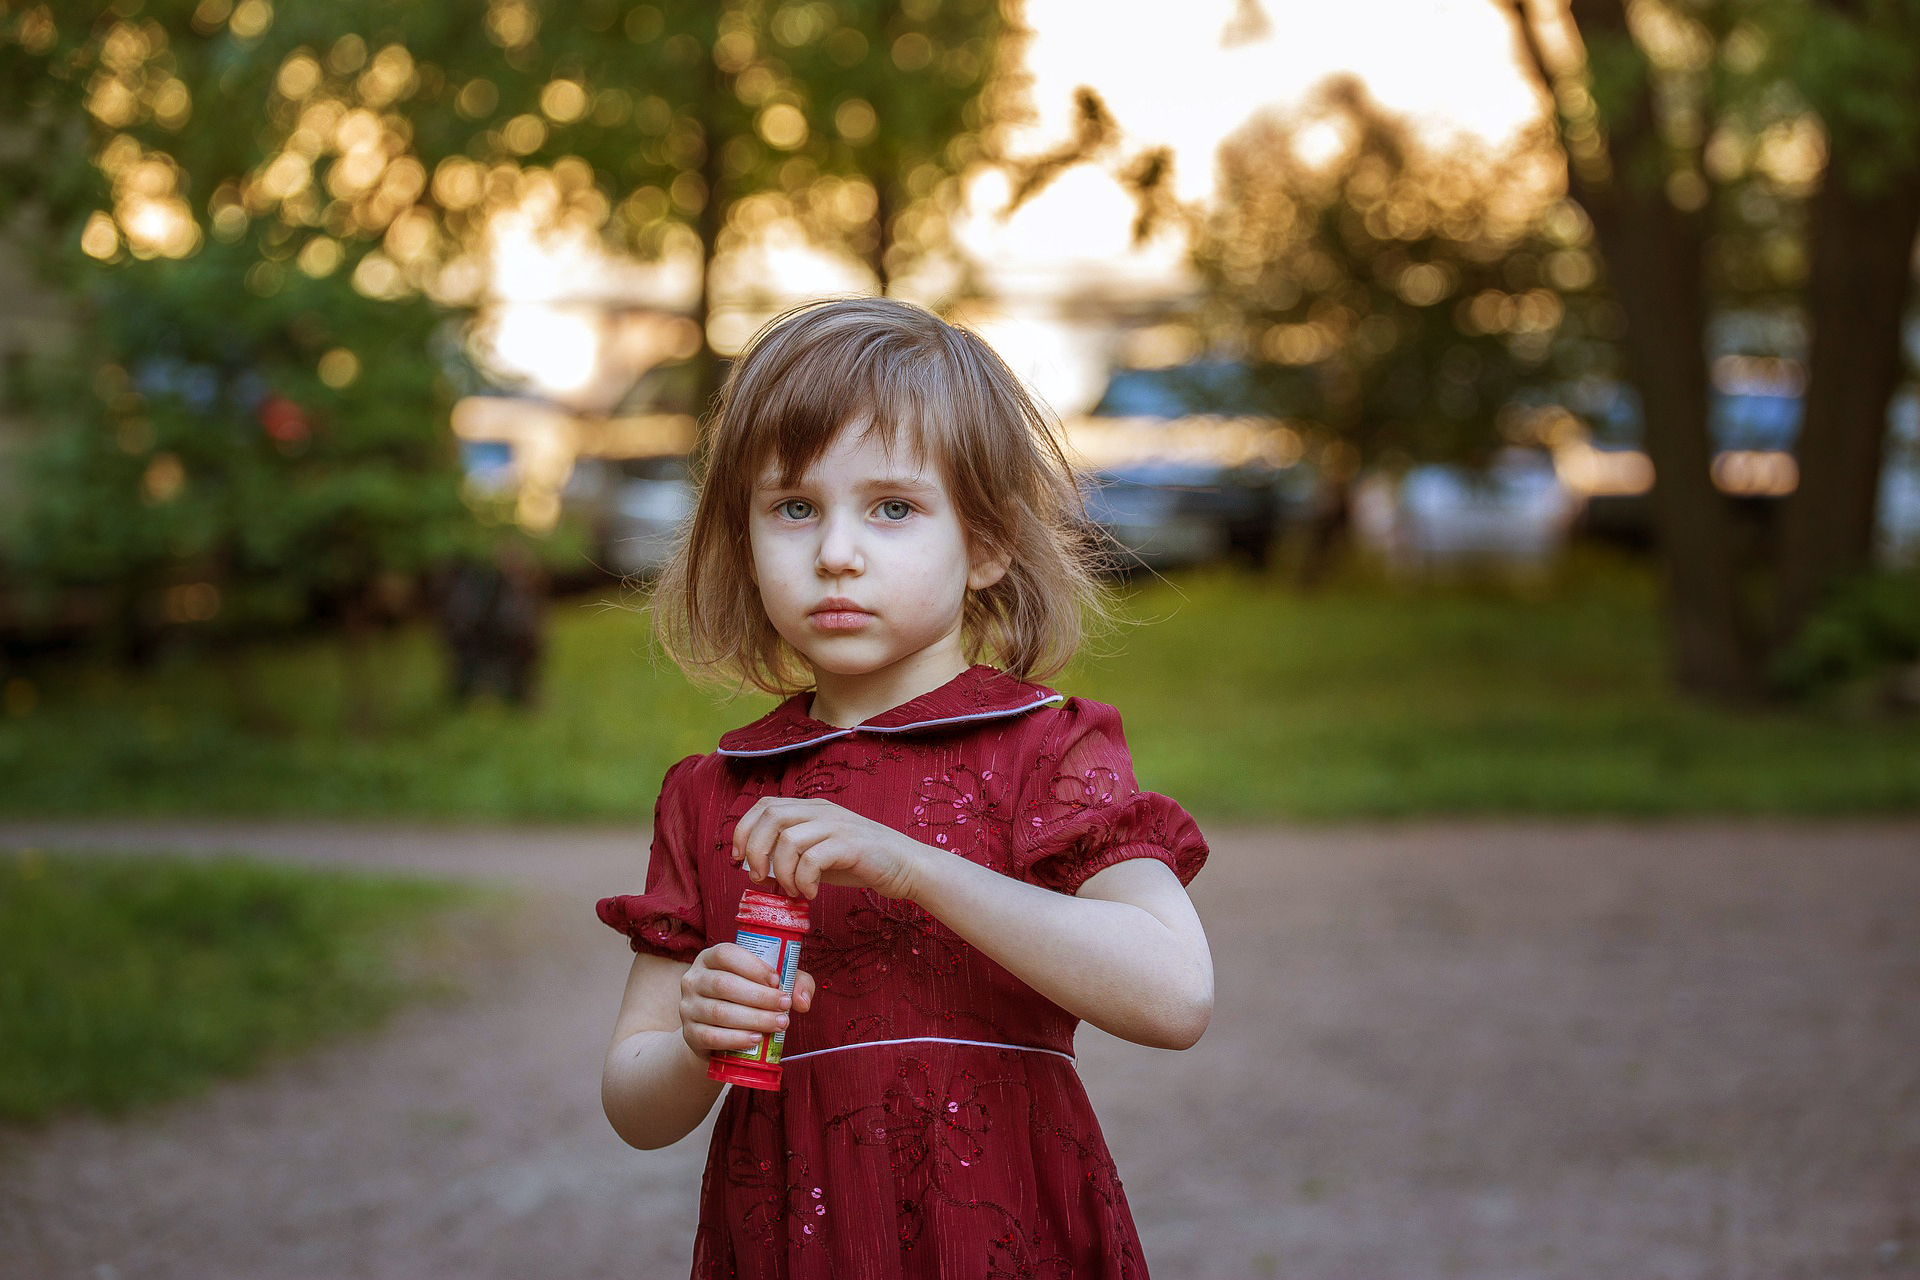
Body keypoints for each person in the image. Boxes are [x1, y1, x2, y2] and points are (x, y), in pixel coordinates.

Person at [597, 297, 1213, 1279]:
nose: (837, 550)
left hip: (1005, 1231)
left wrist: (915, 866)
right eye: (794, 506)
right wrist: (693, 1037)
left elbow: (1175, 993)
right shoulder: (714, 793)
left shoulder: (1045, 749)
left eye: (893, 506)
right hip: (792, 1243)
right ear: (744, 537)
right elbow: (635, 1104)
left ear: (986, 544)